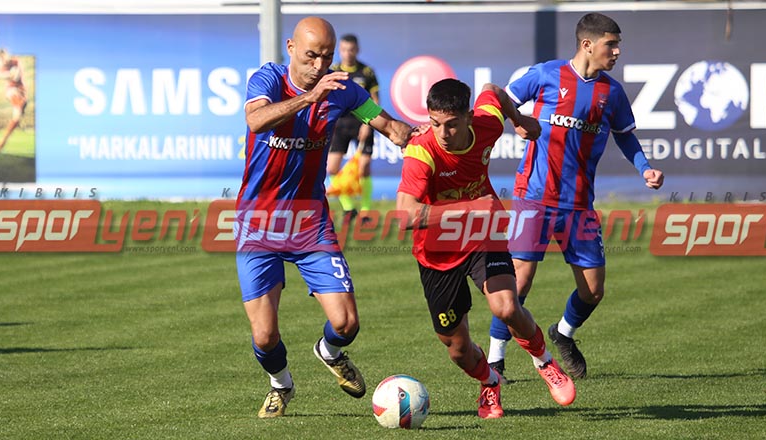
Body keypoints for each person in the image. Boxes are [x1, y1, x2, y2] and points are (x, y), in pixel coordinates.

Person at [237, 16, 412, 419]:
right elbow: (256, 121)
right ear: (291, 48)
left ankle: (329, 352)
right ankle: (281, 384)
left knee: (347, 322)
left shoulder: (344, 88)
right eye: (312, 55)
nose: (320, 65)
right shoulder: (267, 80)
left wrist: (430, 134)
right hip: (258, 223)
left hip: (309, 224)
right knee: (264, 336)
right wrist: (310, 97)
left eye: (328, 57)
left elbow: (391, 128)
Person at [486, 12, 664, 383]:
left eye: (617, 45)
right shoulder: (546, 74)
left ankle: (563, 334)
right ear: (588, 44)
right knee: (518, 284)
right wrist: (517, 119)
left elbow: (625, 134)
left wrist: (644, 167)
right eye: (610, 45)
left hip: (579, 205)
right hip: (534, 196)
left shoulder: (611, 92)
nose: (616, 51)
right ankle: (495, 359)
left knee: (594, 290)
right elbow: (498, 95)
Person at [396, 78, 576, 419]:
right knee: (458, 349)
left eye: (451, 124)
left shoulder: (486, 123)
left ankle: (545, 362)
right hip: (437, 253)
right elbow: (405, 215)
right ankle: (489, 381)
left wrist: (519, 120)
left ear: (468, 116)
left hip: (483, 234)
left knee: (507, 308)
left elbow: (493, 90)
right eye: (435, 124)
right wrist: (471, 208)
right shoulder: (421, 152)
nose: (443, 133)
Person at [327, 34, 379, 224]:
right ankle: (349, 208)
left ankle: (365, 211)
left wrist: (368, 123)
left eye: (351, 49)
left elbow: (375, 100)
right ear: (339, 50)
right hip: (340, 125)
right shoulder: (332, 70)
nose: (347, 53)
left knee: (364, 168)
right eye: (344, 49)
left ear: (357, 50)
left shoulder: (367, 72)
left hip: (362, 122)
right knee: (332, 167)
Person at [0, 48, 28, 153]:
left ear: (6, 54)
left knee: (20, 111)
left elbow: (15, 76)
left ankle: (19, 121)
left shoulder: (15, 61)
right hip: (12, 90)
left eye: (2, 56)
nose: (2, 59)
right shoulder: (2, 67)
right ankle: (2, 142)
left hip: (22, 90)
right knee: (17, 115)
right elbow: (8, 76)